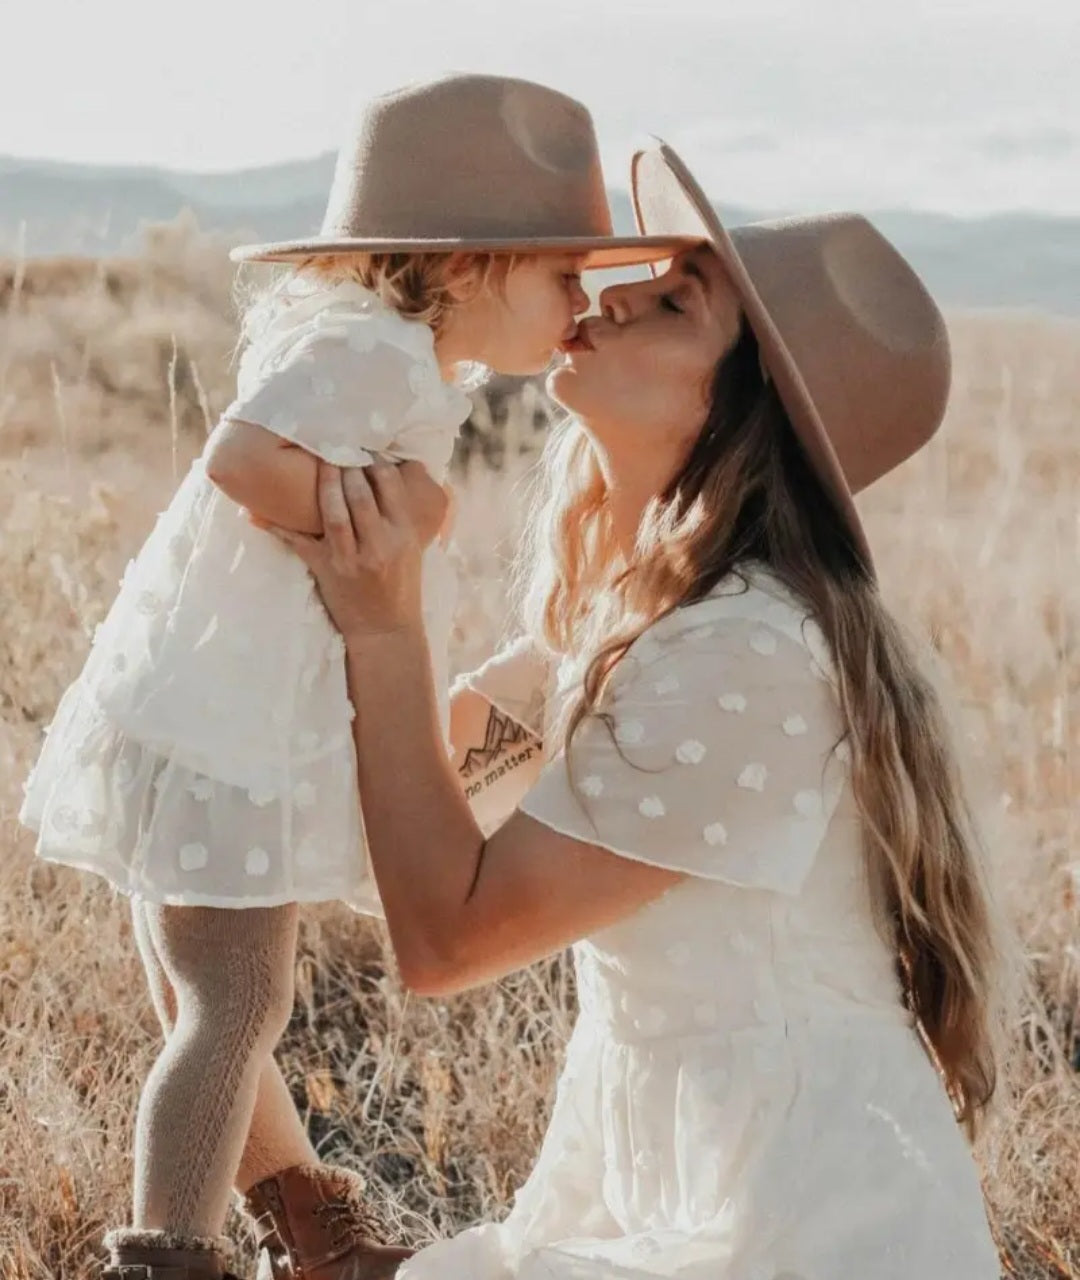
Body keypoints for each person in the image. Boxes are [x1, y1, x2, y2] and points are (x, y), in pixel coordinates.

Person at [269, 141, 1011, 1279]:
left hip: (796, 1229)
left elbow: (446, 934)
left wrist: (384, 623)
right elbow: (408, 804)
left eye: (673, 302)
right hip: (663, 1183)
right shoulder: (628, 623)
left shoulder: (746, 656)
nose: (614, 297)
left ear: (741, 409)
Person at [18, 77, 688, 1280]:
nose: (580, 304)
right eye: (561, 276)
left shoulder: (392, 355)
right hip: (232, 722)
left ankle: (310, 1227)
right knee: (236, 1005)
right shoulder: (375, 354)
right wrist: (389, 522)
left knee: (211, 1001)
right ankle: (167, 1255)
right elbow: (239, 457)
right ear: (472, 264)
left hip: (202, 706)